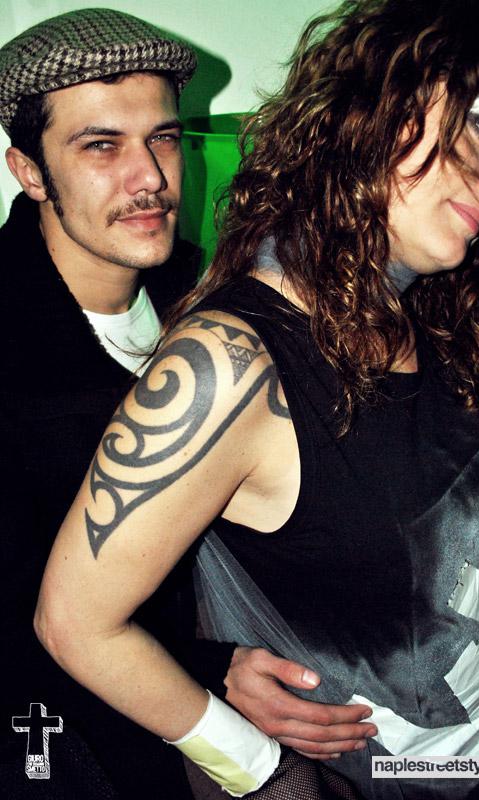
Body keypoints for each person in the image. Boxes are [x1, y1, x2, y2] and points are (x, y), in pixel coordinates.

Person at [36, 0, 479, 798]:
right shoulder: (227, 362)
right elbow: (73, 623)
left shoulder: (441, 315)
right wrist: (269, 774)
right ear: (378, 106)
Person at [0, 9, 371, 798]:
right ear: (29, 171)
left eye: (163, 138)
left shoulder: (213, 295)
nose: (151, 179)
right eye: (101, 146)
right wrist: (216, 680)